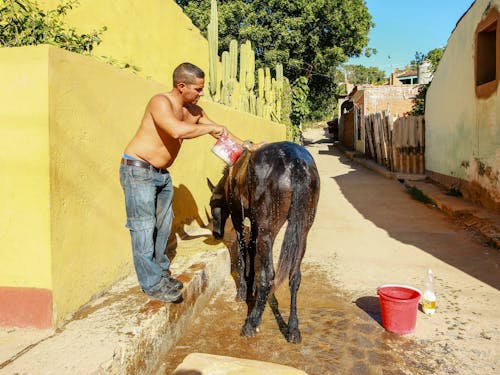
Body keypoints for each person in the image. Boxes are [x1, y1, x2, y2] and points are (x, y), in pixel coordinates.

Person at [120, 62, 256, 303]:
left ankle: (160, 274)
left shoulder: (194, 111)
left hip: (161, 174)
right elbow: (176, 131)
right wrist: (208, 129)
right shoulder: (160, 102)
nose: (201, 94)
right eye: (198, 89)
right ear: (181, 86)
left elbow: (220, 132)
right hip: (138, 170)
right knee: (142, 227)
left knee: (163, 226)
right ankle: (152, 284)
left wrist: (249, 147)